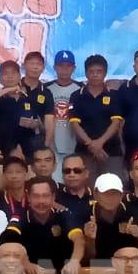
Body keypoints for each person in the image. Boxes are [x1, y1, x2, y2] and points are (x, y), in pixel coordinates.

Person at [4, 177, 85, 274]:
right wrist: (24, 262)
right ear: (28, 197)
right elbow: (7, 240)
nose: (41, 201)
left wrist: (75, 261)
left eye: (45, 196)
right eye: (36, 196)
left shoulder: (64, 214)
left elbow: (78, 239)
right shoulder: (20, 216)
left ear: (53, 197)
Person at [0, 60, 49, 159]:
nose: (10, 76)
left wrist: (35, 124)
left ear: (19, 76)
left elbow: (41, 126)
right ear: (0, 79)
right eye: (5, 74)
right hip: (1, 152)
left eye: (13, 73)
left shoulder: (29, 97)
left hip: (28, 152)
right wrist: (9, 89)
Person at [84, 173, 138, 262]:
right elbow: (86, 259)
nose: (110, 198)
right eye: (105, 193)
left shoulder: (130, 215)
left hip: (125, 266)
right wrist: (90, 240)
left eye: (115, 193)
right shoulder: (85, 216)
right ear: (96, 194)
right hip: (95, 268)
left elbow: (137, 256)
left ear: (121, 195)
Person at [46, 51, 82, 180]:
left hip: (74, 145)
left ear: (74, 68)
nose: (64, 69)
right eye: (61, 65)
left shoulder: (81, 89)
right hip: (52, 146)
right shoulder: (46, 89)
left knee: (72, 180)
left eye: (68, 66)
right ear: (55, 67)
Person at [56, 153, 95, 222]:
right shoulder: (55, 198)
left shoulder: (97, 196)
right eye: (67, 171)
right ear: (62, 174)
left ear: (86, 173)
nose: (72, 174)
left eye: (77, 171)